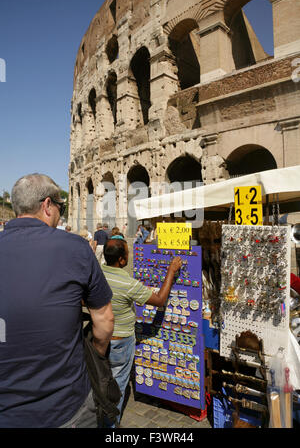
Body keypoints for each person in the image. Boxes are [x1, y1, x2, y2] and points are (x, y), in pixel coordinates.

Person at [0, 173, 114, 428]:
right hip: (65, 406)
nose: (61, 213)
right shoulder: (75, 248)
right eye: (61, 207)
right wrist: (93, 355)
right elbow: (105, 320)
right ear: (47, 205)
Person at [102, 238, 182, 426]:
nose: (129, 255)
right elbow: (160, 300)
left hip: (100, 338)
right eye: (127, 253)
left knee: (103, 380)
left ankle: (101, 417)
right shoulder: (128, 283)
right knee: (118, 384)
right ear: (121, 260)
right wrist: (171, 271)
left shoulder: (97, 273)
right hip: (120, 341)